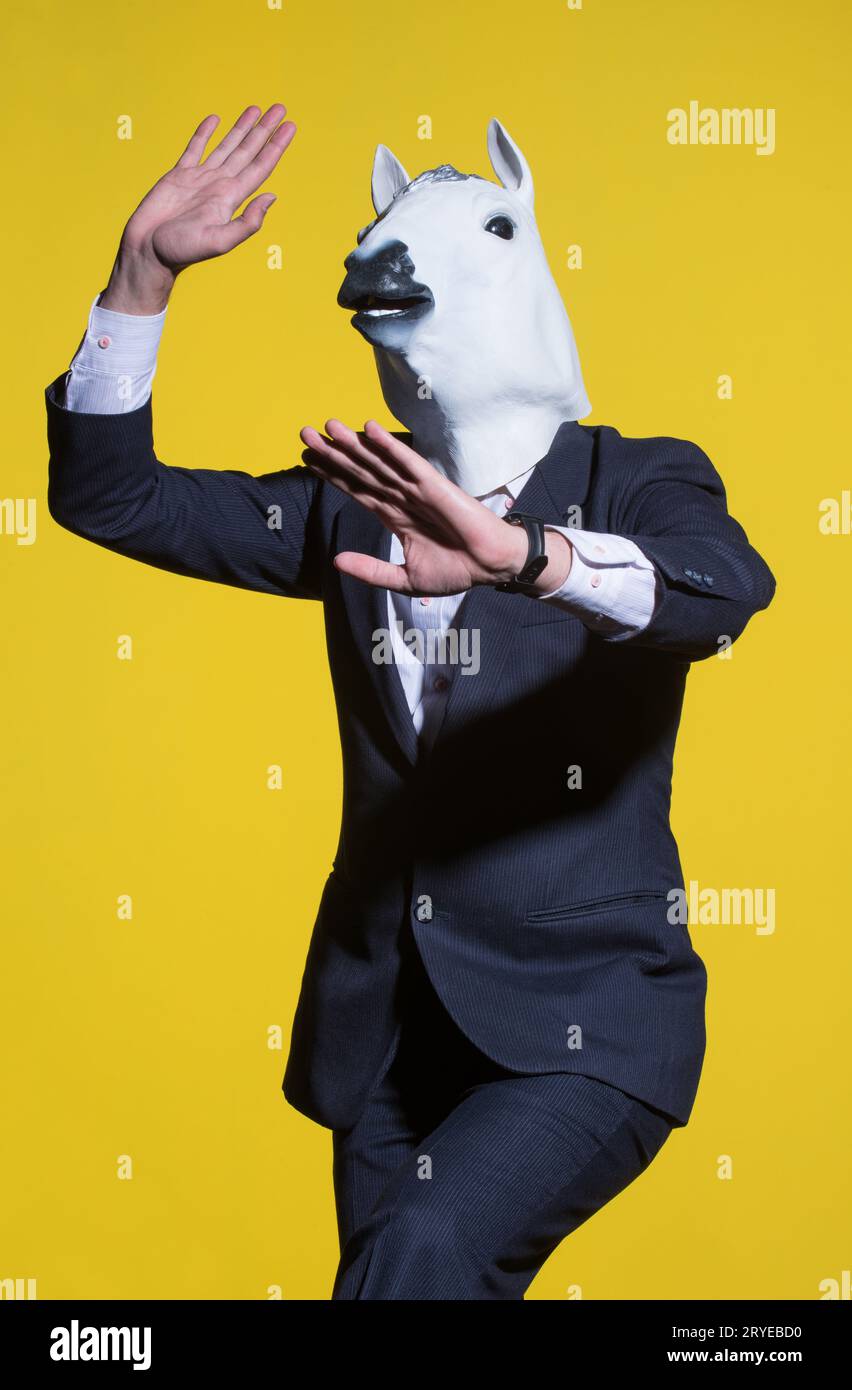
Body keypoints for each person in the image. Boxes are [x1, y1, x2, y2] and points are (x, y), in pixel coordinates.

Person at [45, 104, 776, 1300]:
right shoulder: (347, 507)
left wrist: (526, 556)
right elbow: (113, 501)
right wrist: (138, 281)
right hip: (383, 1031)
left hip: (579, 1031)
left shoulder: (630, 479)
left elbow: (721, 593)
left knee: (418, 1256)